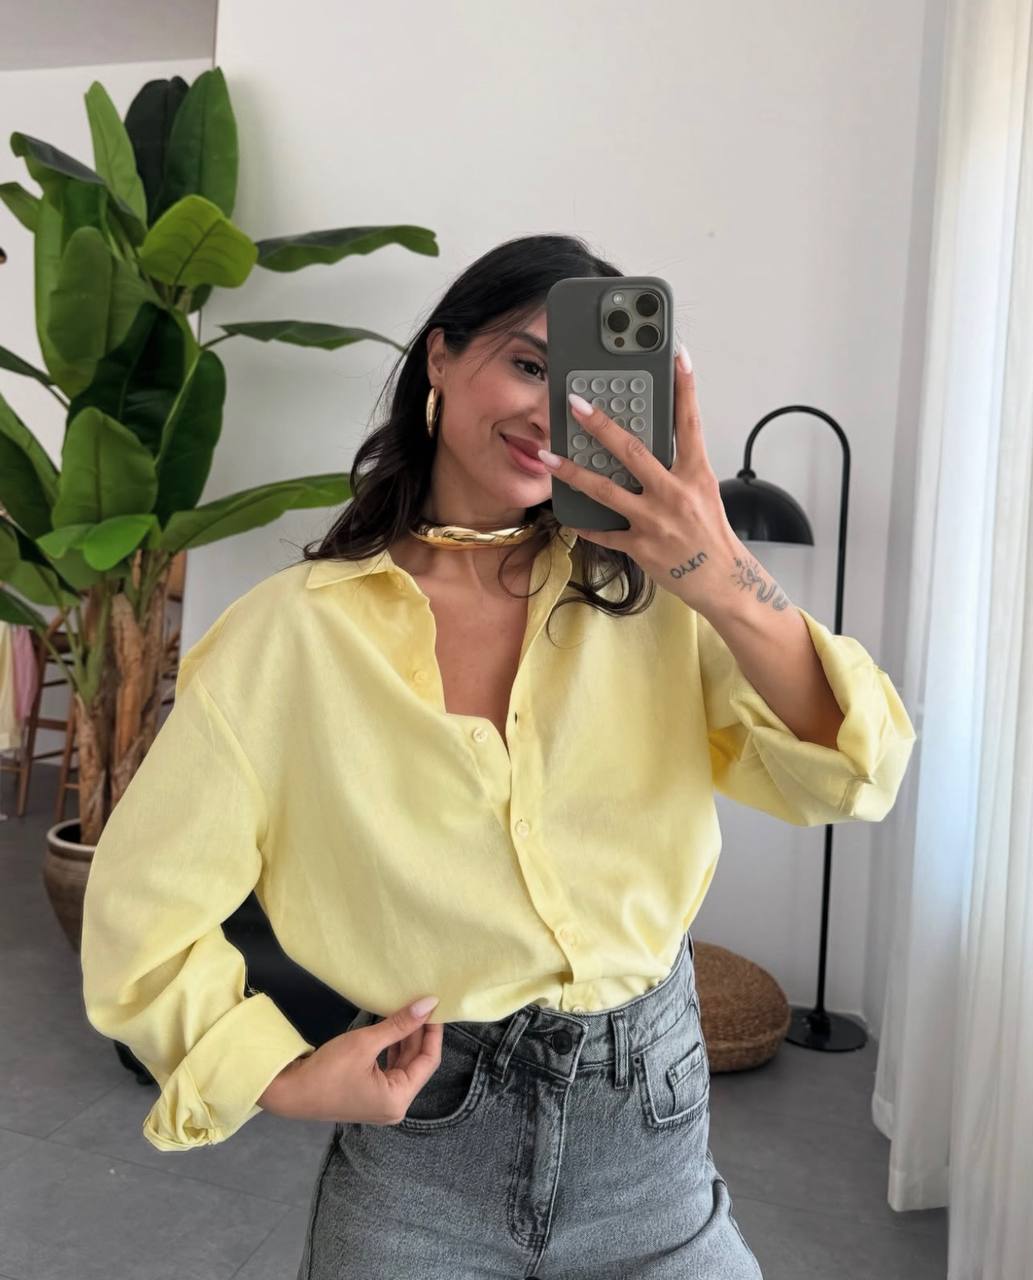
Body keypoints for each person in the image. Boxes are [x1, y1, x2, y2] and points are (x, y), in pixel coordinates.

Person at [80, 233, 916, 1279]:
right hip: (425, 1158)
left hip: (653, 1148)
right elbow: (141, 909)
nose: (552, 415)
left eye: (587, 392)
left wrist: (718, 570)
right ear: (441, 356)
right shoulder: (289, 636)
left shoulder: (656, 605)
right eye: (528, 364)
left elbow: (854, 770)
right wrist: (279, 1074)